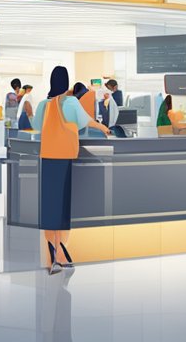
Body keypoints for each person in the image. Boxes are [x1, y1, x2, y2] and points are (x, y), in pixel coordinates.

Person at [32, 65, 111, 273]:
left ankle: (50, 249)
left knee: (50, 203)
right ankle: (60, 249)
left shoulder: (43, 104)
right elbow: (87, 122)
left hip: (47, 157)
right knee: (63, 203)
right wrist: (104, 128)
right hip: (64, 157)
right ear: (66, 82)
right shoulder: (72, 102)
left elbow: (37, 126)